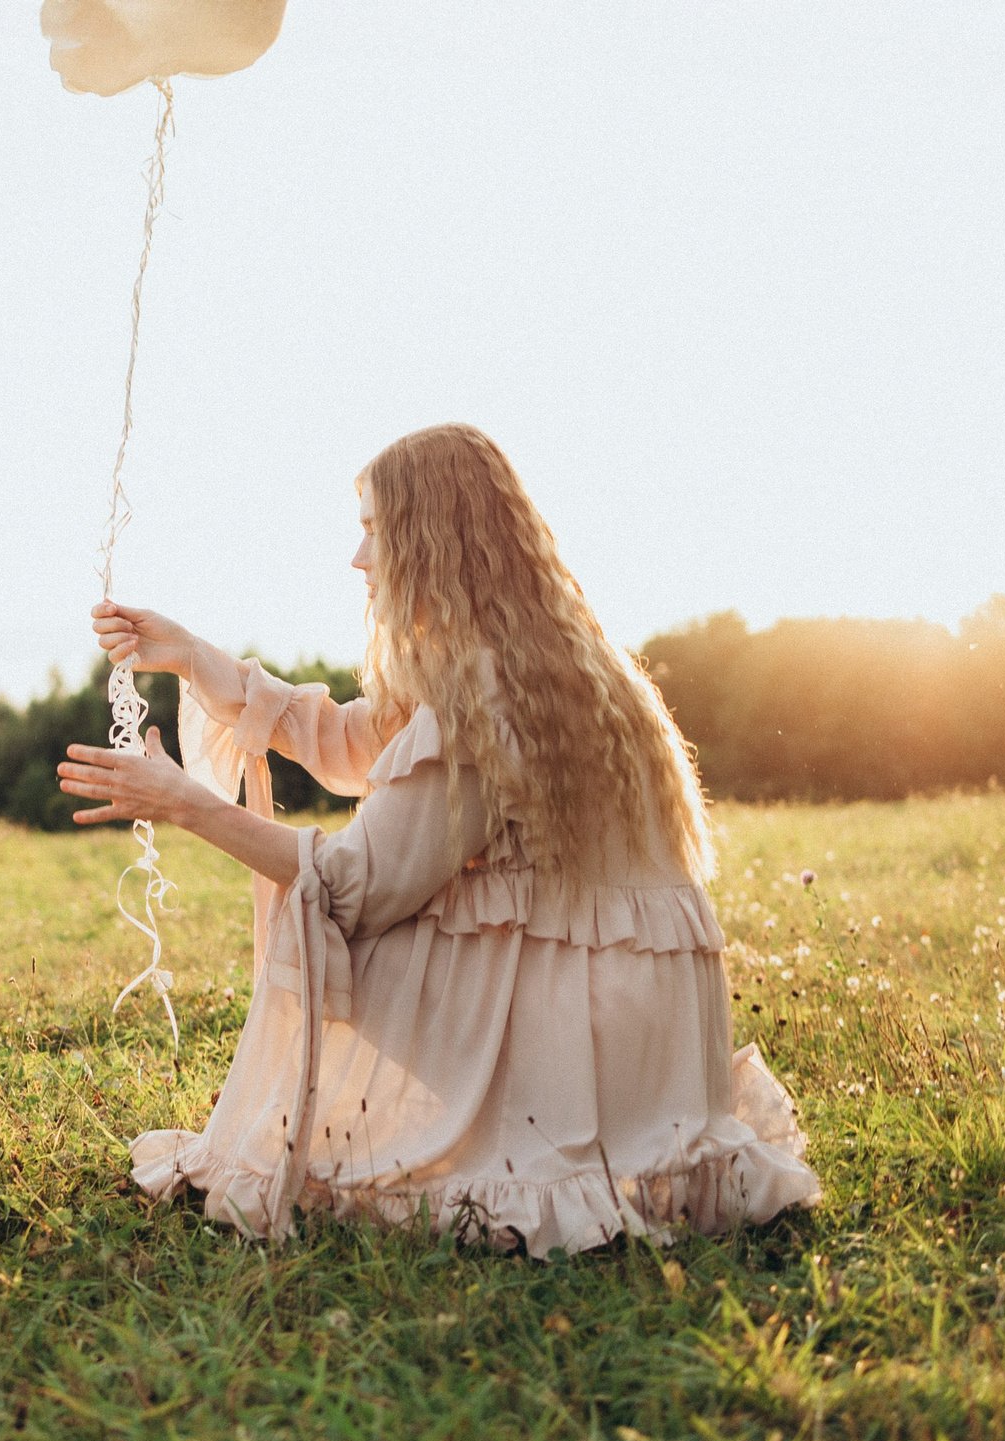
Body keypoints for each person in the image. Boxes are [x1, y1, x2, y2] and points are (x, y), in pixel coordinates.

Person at [58, 423, 821, 1253]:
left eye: (376, 532)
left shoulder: (484, 686)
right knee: (397, 910)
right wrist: (197, 658)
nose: (358, 558)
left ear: (431, 542)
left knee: (344, 929)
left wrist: (185, 804)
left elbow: (353, 883)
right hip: (640, 1023)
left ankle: (518, 1144)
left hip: (591, 1022)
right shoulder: (538, 660)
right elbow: (359, 742)